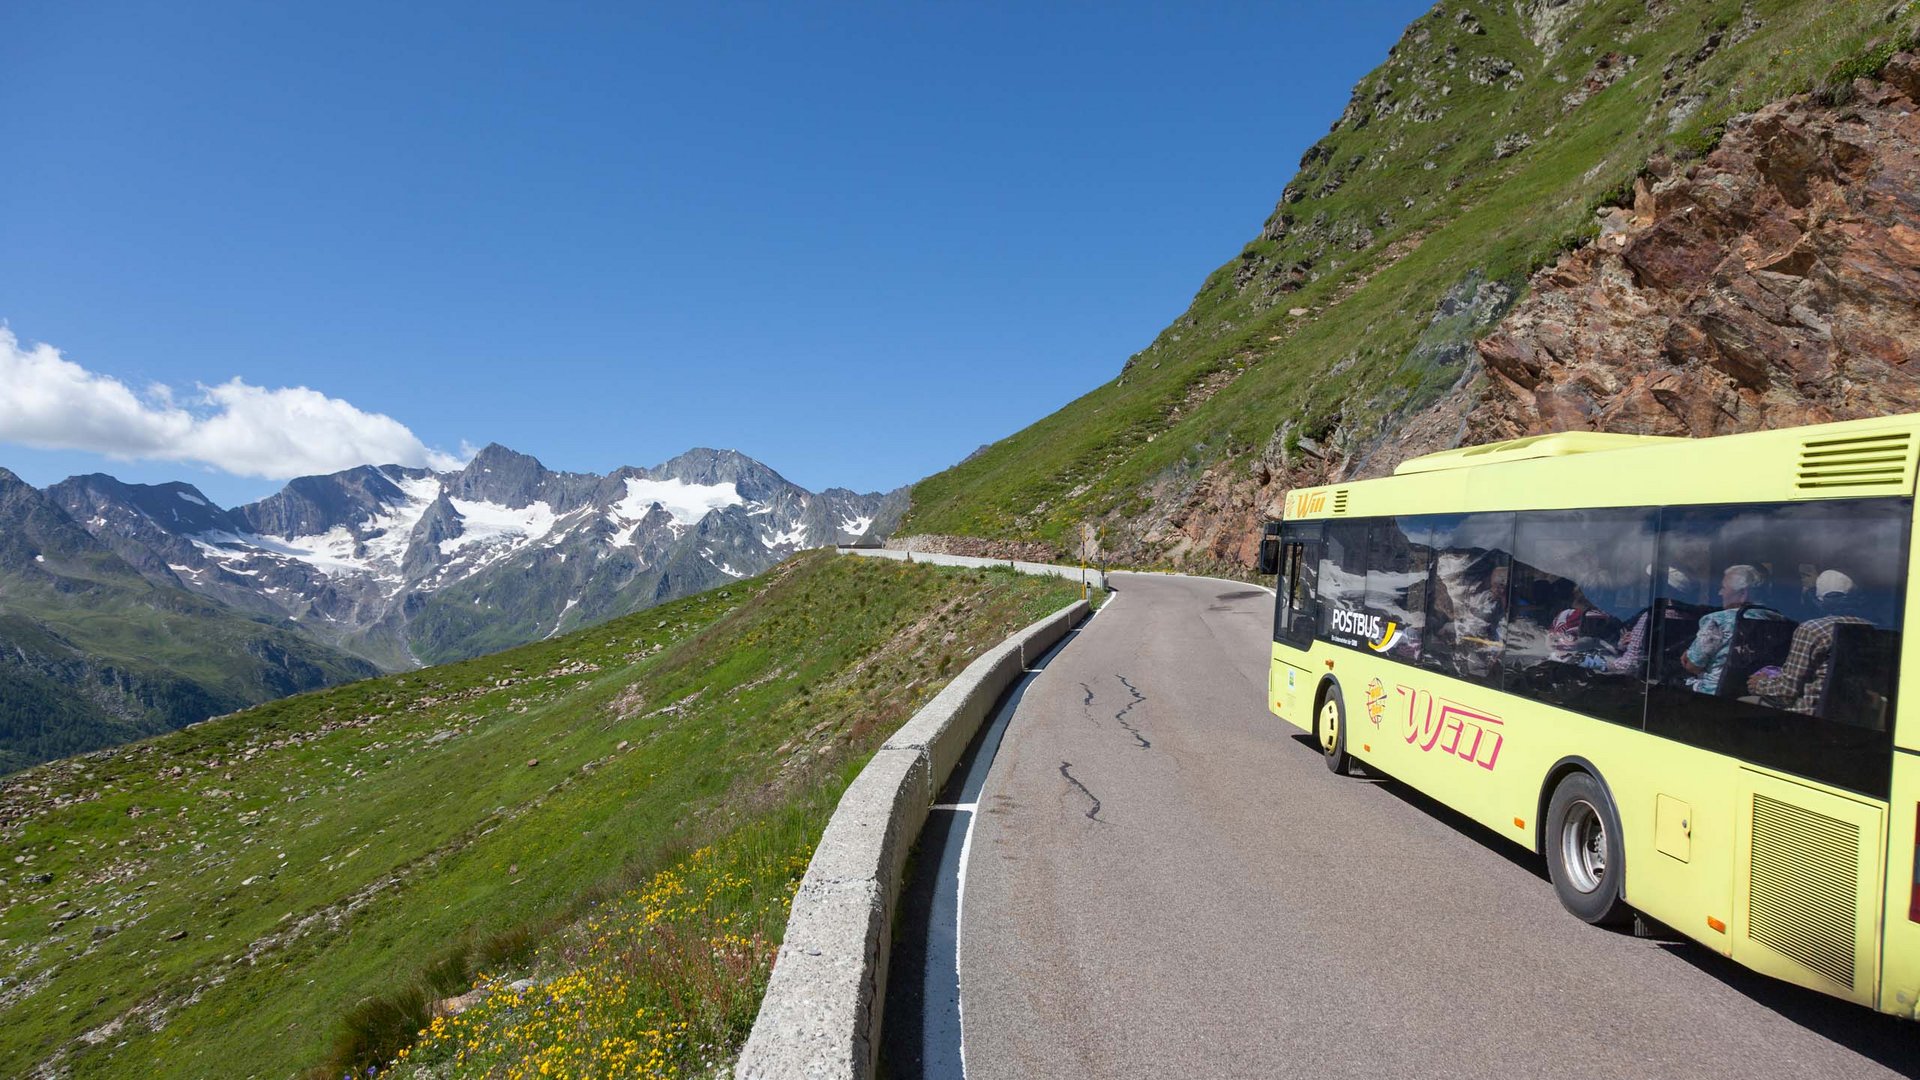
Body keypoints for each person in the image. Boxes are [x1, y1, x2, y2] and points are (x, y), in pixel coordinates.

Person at [1747, 570, 1872, 715]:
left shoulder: (1812, 629)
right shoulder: (1869, 628)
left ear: (1818, 601)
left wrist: (1758, 684)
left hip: (1807, 711)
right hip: (1850, 714)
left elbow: (1787, 691)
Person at [1682, 564, 1781, 695]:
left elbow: (1693, 665)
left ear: (1743, 593)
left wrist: (1688, 656)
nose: (1720, 592)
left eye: (1723, 588)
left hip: (1712, 695)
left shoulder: (1718, 620)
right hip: (1754, 694)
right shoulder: (1781, 621)